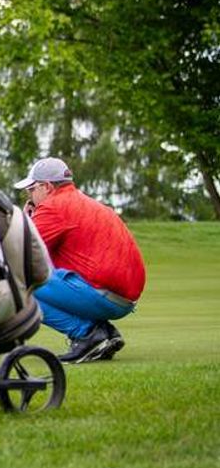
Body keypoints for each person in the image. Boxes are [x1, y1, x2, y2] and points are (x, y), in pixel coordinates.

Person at [15, 156, 146, 364]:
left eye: (31, 189)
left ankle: (87, 334)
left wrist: (26, 221)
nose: (29, 196)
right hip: (122, 298)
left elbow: (19, 252)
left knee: (15, 284)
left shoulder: (53, 207)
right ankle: (105, 332)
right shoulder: (84, 201)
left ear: (47, 186)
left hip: (103, 296)